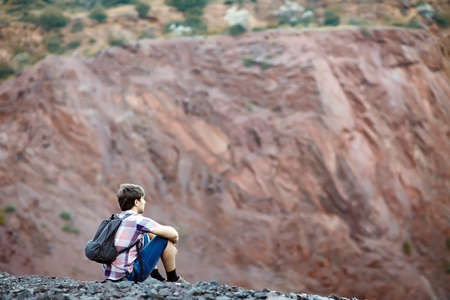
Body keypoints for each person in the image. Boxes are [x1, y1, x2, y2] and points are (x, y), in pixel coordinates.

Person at [103, 183, 187, 283]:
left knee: (146, 234)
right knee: (164, 238)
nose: (145, 202)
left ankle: (156, 276)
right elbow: (173, 234)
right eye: (143, 199)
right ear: (136, 202)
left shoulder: (113, 220)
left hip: (111, 275)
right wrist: (171, 245)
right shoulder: (137, 220)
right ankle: (173, 279)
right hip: (130, 275)